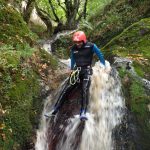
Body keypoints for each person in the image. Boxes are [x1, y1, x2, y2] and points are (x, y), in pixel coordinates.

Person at [44, 31, 105, 121]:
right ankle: (55, 110)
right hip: (77, 71)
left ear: (83, 40)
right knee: (66, 89)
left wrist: (103, 65)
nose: (78, 44)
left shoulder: (91, 46)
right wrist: (72, 69)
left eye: (79, 42)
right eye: (76, 42)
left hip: (87, 70)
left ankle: (83, 112)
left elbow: (100, 54)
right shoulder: (73, 48)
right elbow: (72, 59)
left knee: (84, 89)